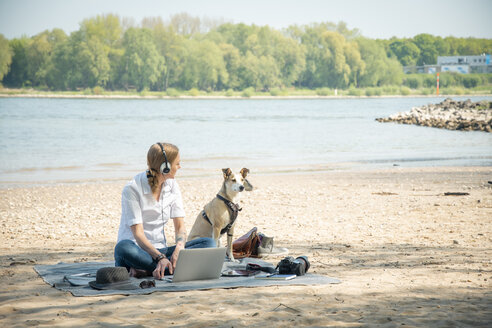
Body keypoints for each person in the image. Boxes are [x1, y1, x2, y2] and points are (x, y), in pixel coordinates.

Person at [114, 142, 216, 279]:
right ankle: (170, 268)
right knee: (123, 247)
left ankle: (148, 271)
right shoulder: (132, 189)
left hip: (161, 251)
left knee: (208, 243)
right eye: (177, 163)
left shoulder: (172, 185)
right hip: (138, 251)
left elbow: (180, 226)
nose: (180, 167)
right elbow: (138, 234)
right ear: (165, 167)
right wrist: (160, 258)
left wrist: (179, 248)